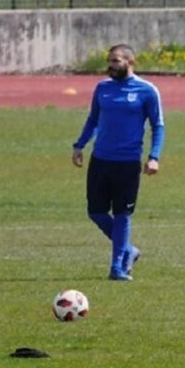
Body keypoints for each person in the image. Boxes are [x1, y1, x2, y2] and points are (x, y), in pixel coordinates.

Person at [72, 44, 165, 281]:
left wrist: (154, 157)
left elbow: (157, 126)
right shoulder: (102, 88)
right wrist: (79, 145)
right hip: (100, 159)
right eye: (109, 61)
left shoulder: (147, 90)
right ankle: (129, 250)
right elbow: (93, 119)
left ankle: (118, 267)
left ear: (130, 62)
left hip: (128, 162)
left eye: (115, 61)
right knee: (96, 212)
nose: (110, 66)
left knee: (122, 214)